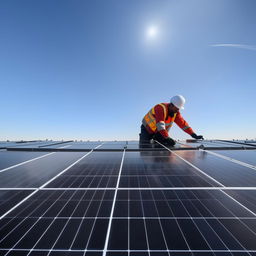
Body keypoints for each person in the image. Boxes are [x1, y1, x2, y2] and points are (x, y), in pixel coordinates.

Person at [140, 95, 204, 147]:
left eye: (178, 109)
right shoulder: (160, 108)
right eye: (176, 108)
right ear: (171, 105)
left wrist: (193, 134)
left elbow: (183, 124)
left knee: (162, 146)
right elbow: (160, 125)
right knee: (145, 146)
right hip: (147, 129)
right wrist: (167, 137)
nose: (177, 110)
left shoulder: (175, 113)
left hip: (159, 132)